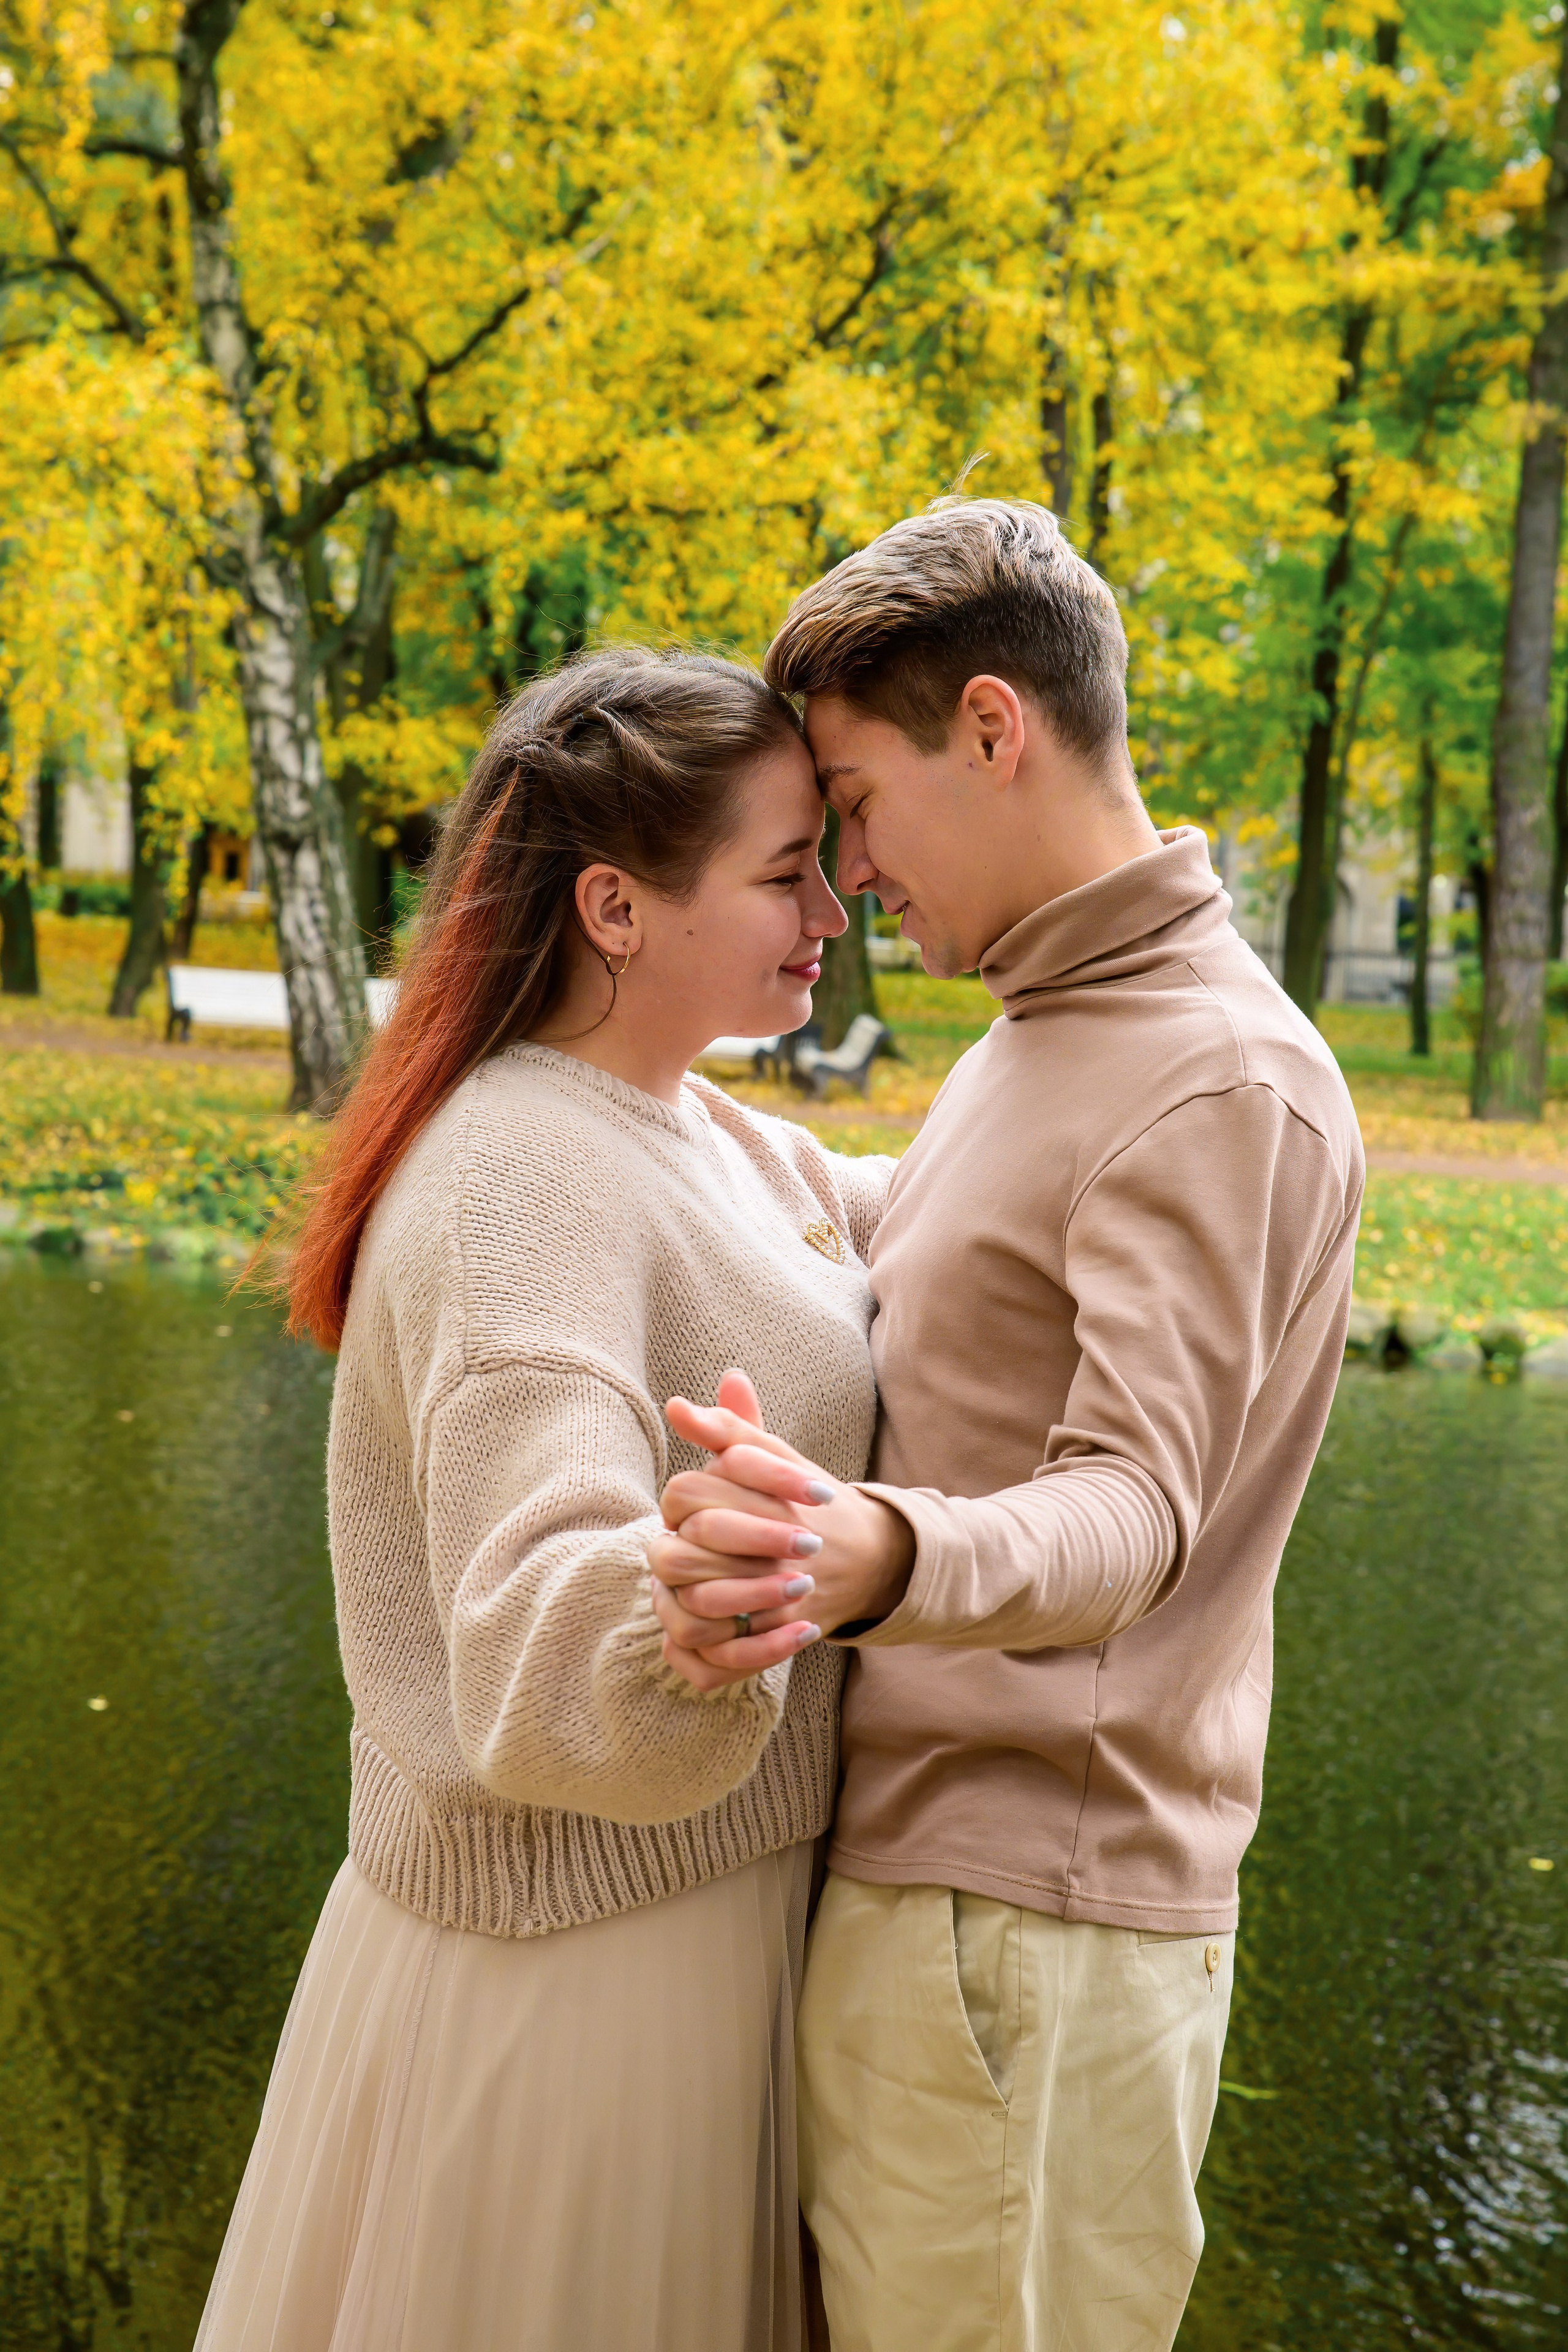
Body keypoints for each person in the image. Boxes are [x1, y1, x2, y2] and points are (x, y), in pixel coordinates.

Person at [649, 499, 1365, 2351]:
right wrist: (623, 1088)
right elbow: (935, 1251)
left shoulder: (1215, 1075)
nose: (848, 874)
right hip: (940, 1913)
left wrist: (872, 1546)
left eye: (857, 803)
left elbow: (1135, 1513)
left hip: (1032, 1934)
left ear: (992, 726)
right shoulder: (1048, 1029)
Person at [195, 647, 896, 2352]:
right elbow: (531, 1630)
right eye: (784, 868)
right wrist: (674, 1614)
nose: (833, 908)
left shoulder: (702, 1131)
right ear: (616, 907)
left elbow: (940, 1213)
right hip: (580, 1985)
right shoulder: (521, 1170)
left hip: (684, 1928)